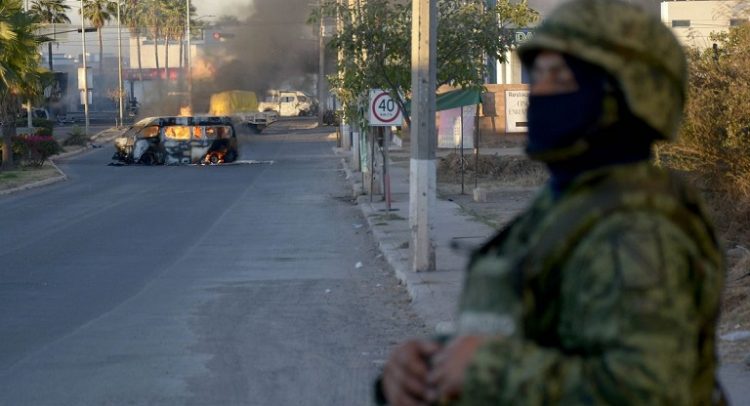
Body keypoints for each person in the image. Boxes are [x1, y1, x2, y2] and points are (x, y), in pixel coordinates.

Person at [376, 0, 726, 404]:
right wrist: (427, 367)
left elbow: (650, 387)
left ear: (628, 93)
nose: (539, 91)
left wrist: (490, 368)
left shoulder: (642, 229)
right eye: (537, 74)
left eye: (559, 76)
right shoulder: (566, 207)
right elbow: (530, 334)